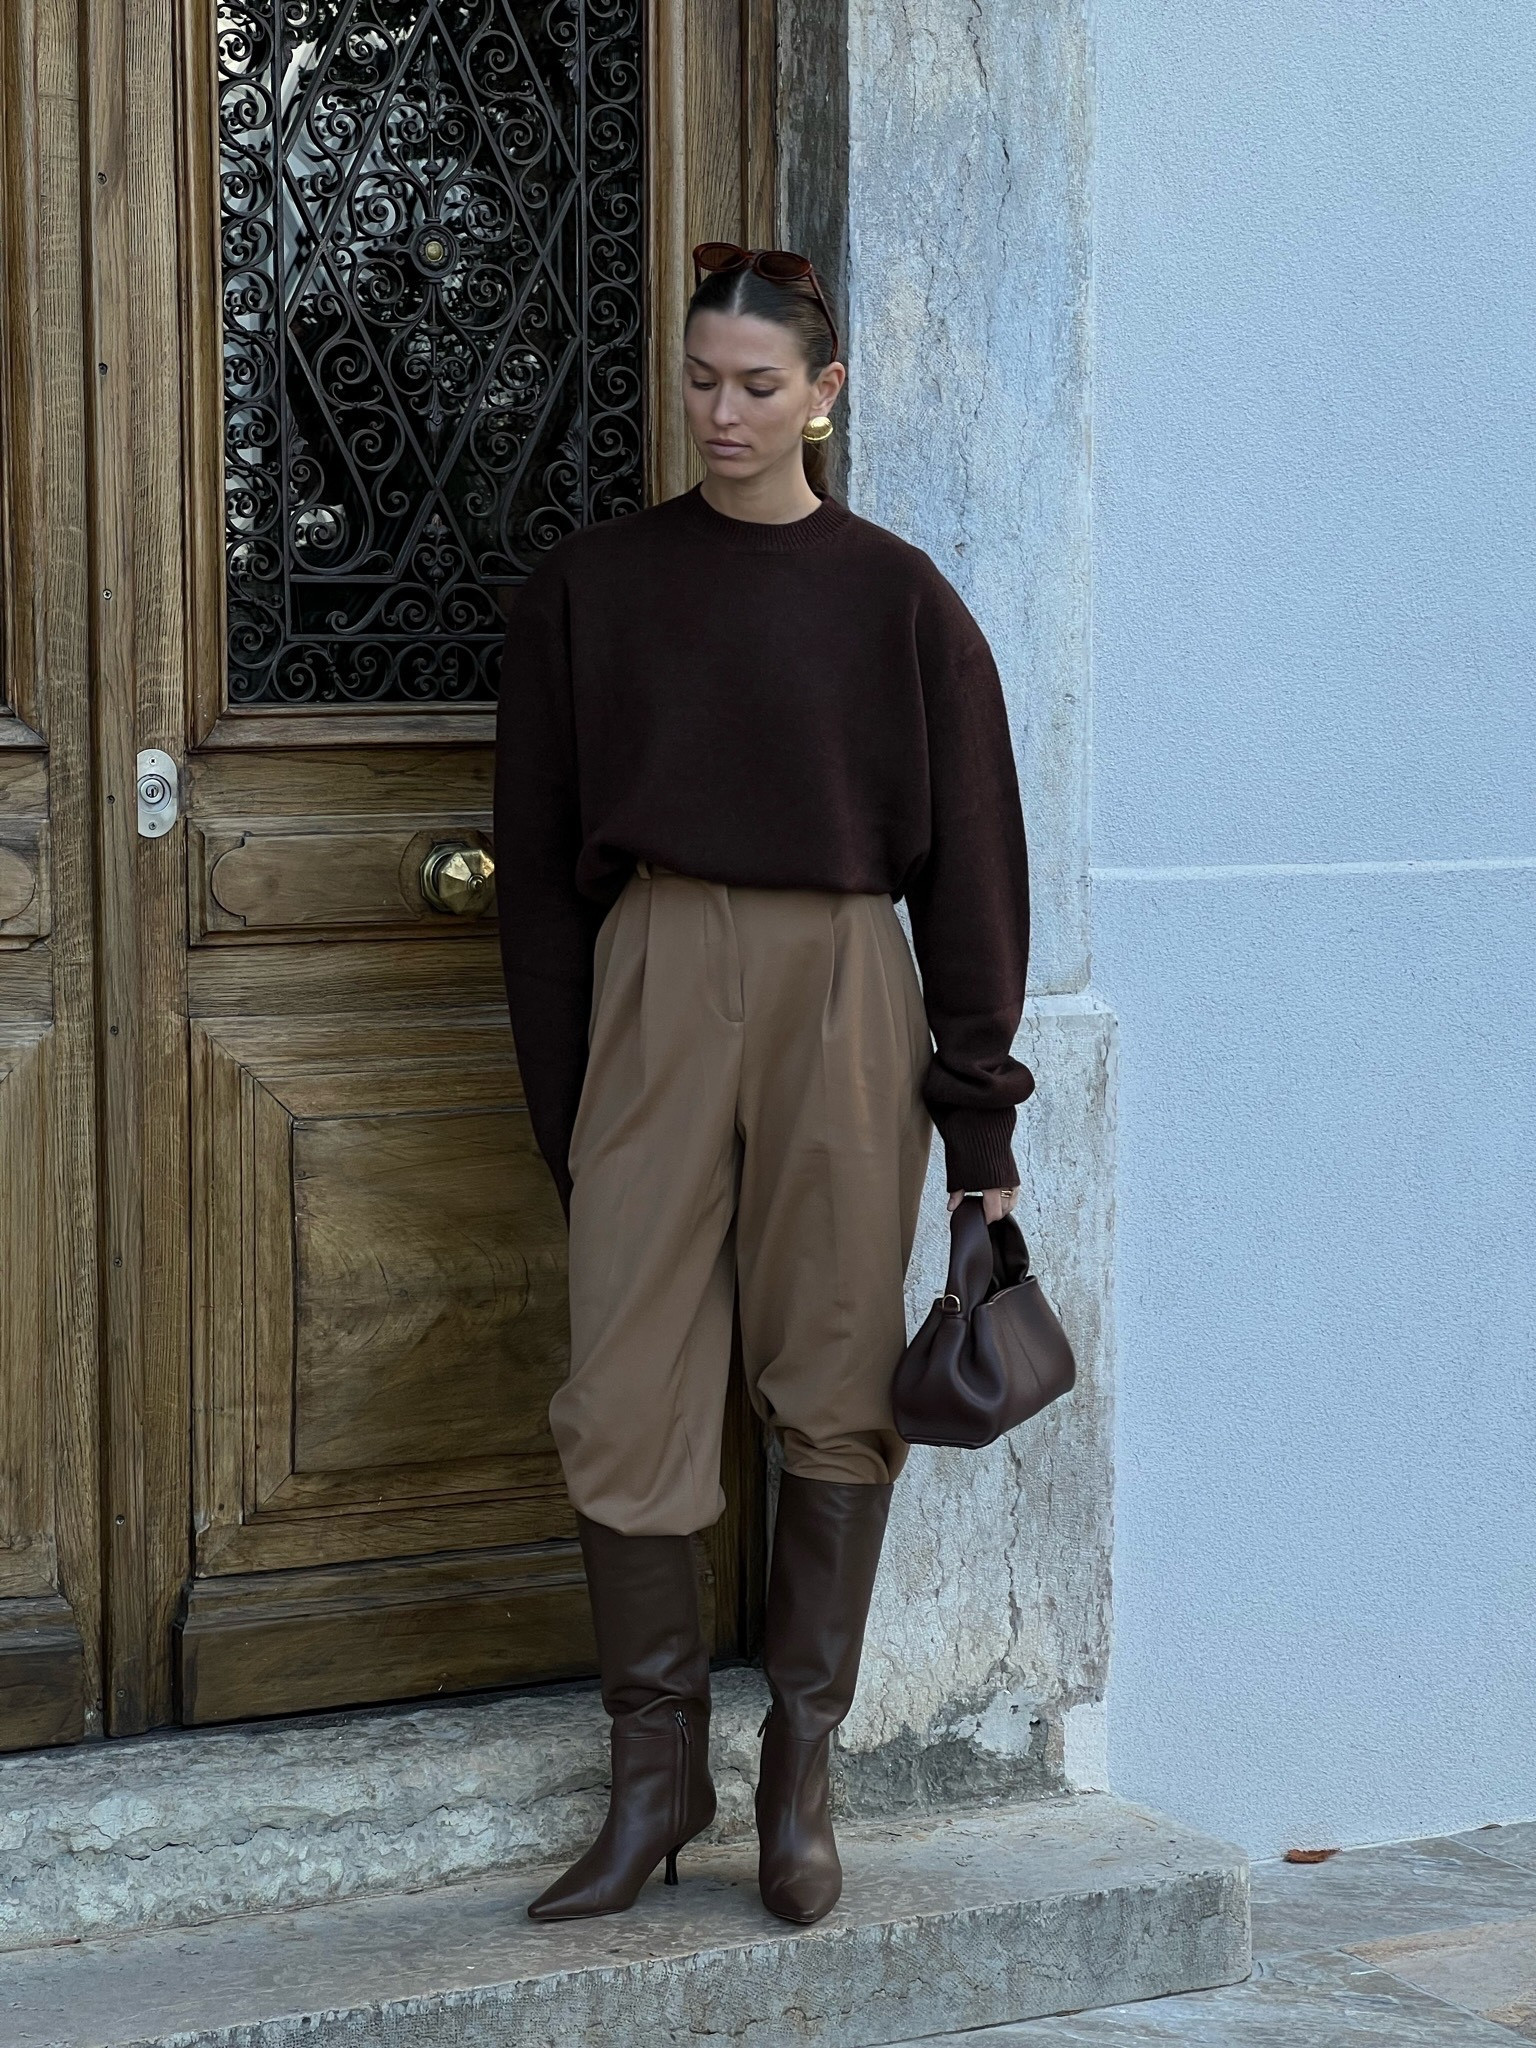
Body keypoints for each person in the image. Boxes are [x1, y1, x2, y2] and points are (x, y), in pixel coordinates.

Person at [493, 242, 1032, 1926]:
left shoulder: (902, 602)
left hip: (843, 989)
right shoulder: (596, 588)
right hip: (654, 974)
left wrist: (982, 1132)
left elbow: (974, 882)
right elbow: (532, 876)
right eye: (702, 383)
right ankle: (652, 1784)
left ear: (826, 392)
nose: (722, 415)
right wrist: (572, 1093)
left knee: (833, 1371)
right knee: (623, 1381)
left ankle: (802, 1779)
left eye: (756, 386)